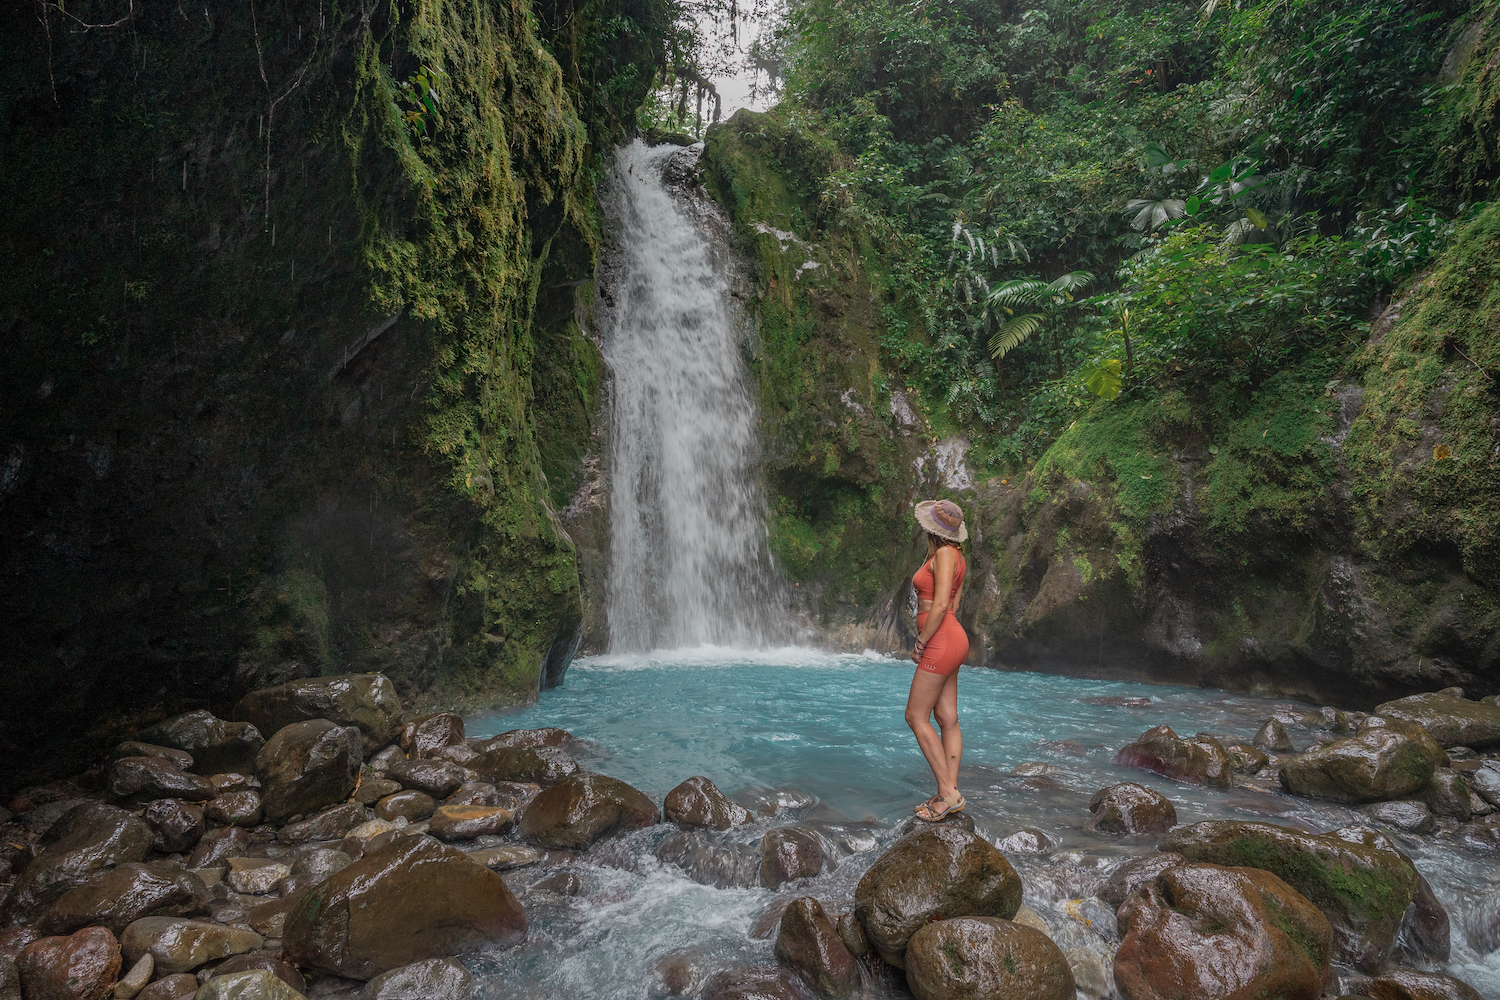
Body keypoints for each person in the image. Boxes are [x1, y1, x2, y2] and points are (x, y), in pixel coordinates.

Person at [906, 498, 970, 821]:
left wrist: (921, 642)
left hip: (941, 640)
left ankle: (947, 791)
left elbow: (942, 604)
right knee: (947, 716)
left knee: (916, 716)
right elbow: (951, 604)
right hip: (953, 638)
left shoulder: (944, 554)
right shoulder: (956, 556)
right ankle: (950, 792)